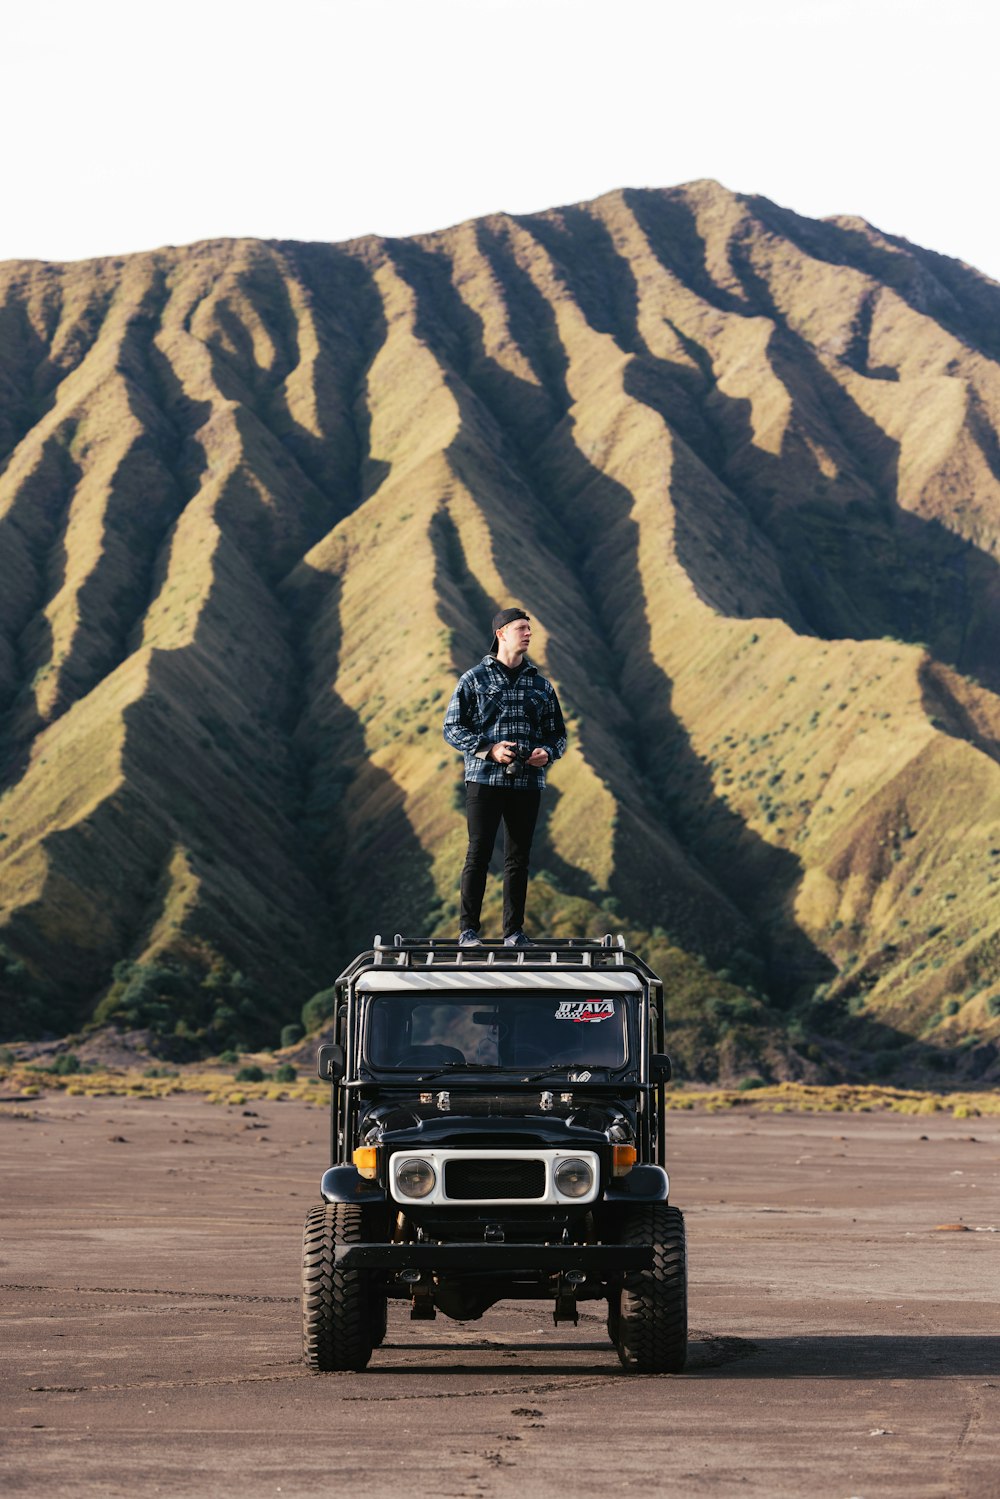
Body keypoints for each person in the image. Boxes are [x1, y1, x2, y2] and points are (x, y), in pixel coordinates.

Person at [443, 607, 567, 947]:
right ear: (501, 633)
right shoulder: (473, 679)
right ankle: (468, 931)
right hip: (483, 780)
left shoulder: (541, 685)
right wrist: (489, 749)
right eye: (522, 628)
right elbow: (452, 728)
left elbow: (558, 735)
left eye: (530, 629)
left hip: (526, 783)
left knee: (519, 858)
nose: (528, 633)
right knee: (478, 853)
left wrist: (547, 753)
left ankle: (513, 932)